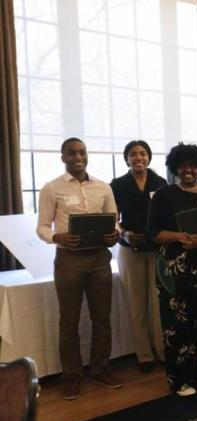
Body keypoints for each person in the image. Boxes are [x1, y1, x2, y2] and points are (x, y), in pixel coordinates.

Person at [36, 137, 122, 400]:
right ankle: (71, 376)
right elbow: (41, 227)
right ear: (63, 157)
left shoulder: (103, 187)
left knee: (102, 319)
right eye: (72, 153)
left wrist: (115, 234)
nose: (78, 157)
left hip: (99, 259)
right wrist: (55, 237)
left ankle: (100, 369)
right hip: (69, 260)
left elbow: (115, 222)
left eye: (82, 152)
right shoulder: (51, 188)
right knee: (69, 322)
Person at [147, 143, 197, 397]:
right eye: (183, 165)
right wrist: (181, 235)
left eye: (193, 165)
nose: (188, 170)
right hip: (173, 270)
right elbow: (153, 233)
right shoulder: (163, 195)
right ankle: (178, 379)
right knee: (175, 325)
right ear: (175, 167)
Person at [110, 140, 167, 374]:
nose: (138, 158)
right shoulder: (118, 184)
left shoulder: (161, 183)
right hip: (129, 249)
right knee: (136, 304)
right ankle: (144, 355)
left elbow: (167, 215)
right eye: (133, 154)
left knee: (157, 303)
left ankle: (162, 351)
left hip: (156, 249)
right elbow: (112, 217)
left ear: (149, 157)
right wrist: (125, 232)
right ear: (127, 159)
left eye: (143, 153)